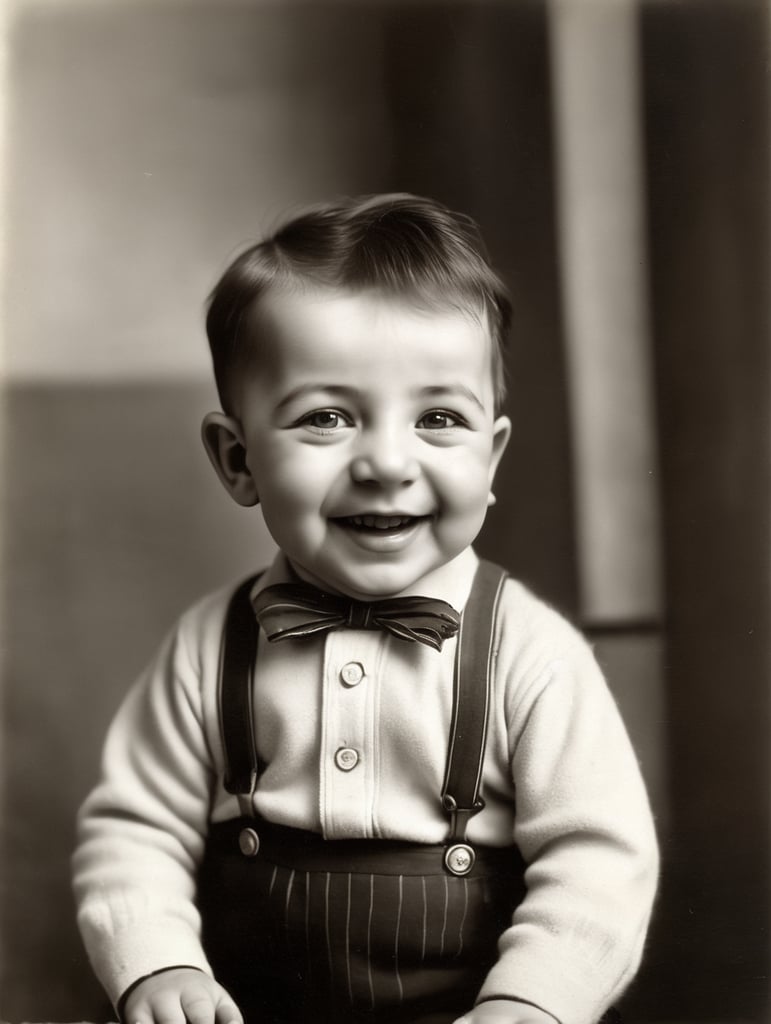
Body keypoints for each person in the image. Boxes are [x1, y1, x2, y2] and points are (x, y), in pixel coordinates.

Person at [72, 193, 659, 1024]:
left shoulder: (530, 651)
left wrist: (534, 1002)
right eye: (327, 418)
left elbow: (599, 862)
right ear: (237, 459)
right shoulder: (210, 646)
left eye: (439, 418)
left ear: (490, 457)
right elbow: (134, 829)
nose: (386, 462)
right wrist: (156, 966)